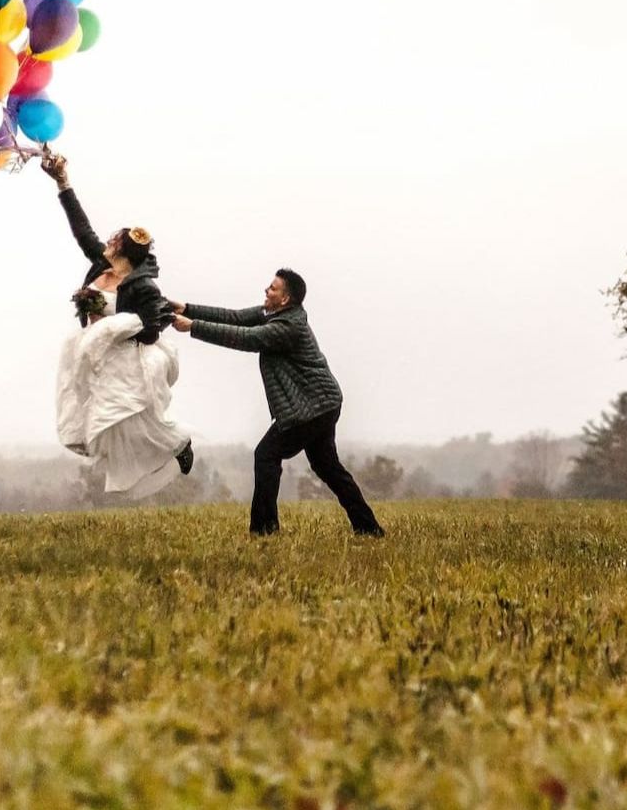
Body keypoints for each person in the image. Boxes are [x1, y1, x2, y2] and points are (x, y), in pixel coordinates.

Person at [169, 270, 384, 536]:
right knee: (327, 467)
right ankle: (369, 528)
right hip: (320, 404)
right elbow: (235, 318)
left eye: (272, 288)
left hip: (314, 407)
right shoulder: (272, 314)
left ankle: (264, 531)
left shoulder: (287, 327)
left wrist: (193, 327)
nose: (266, 291)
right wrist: (188, 309)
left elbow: (245, 338)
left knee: (267, 455)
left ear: (285, 299)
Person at [42, 151, 194, 500]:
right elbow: (82, 231)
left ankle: (178, 443)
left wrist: (114, 325)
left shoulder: (142, 286)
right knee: (102, 422)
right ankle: (165, 445)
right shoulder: (101, 268)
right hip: (94, 356)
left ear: (125, 252)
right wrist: (63, 183)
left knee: (127, 420)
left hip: (125, 360)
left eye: (113, 242)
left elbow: (152, 329)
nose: (107, 243)